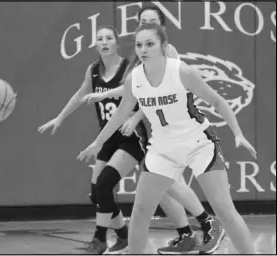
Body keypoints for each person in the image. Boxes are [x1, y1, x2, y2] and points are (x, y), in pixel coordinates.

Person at [78, 23, 256, 254]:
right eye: (139, 45)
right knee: (141, 211)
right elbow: (121, 114)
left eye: (149, 44)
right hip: (163, 148)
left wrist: (239, 134)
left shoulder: (182, 71)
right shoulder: (135, 78)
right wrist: (97, 143)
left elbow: (218, 102)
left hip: (198, 142)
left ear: (163, 46)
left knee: (224, 209)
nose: (143, 49)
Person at [39, 25, 147, 254]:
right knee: (97, 193)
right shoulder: (94, 70)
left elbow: (144, 98)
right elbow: (80, 95)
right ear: (96, 44)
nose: (105, 42)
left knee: (105, 183)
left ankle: (99, 240)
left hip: (131, 136)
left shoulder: (129, 69)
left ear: (117, 43)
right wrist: (59, 118)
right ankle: (123, 235)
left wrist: (135, 116)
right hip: (107, 136)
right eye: (100, 39)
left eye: (109, 38)